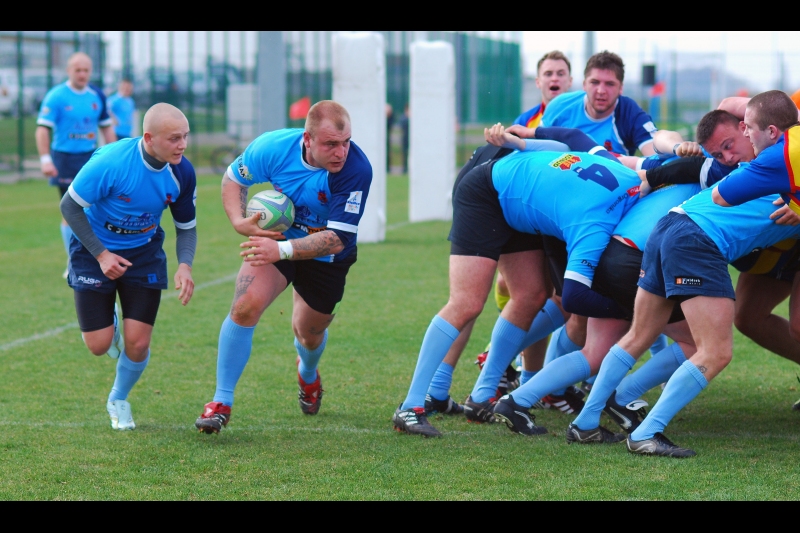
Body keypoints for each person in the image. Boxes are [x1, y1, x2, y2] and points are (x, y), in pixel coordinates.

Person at [569, 90, 800, 457]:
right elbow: (726, 193)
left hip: (668, 227)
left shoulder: (774, 159)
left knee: (639, 335)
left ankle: (584, 423)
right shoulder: (777, 161)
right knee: (715, 352)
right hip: (696, 240)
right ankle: (647, 433)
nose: (746, 133)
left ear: (771, 130)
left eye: (749, 128)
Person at [392, 126, 642, 437]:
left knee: (532, 295)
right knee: (467, 302)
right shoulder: (598, 216)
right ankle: (411, 405)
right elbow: (575, 296)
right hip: (487, 190)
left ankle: (483, 396)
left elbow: (570, 143)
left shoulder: (624, 178)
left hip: (522, 201)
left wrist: (525, 140)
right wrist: (634, 310)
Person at [194, 100, 373, 434]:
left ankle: (308, 374)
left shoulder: (356, 170)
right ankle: (221, 402)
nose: (341, 152)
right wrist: (238, 221)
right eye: (331, 144)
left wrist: (281, 250)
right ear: (307, 139)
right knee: (244, 307)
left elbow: (337, 239)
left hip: (326, 257)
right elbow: (233, 179)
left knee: (308, 334)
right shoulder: (273, 148)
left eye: (346, 142)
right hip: (276, 240)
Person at [59, 102, 197, 430]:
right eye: (174, 138)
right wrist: (102, 255)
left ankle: (118, 399)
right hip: (93, 251)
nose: (182, 145)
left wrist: (185, 266)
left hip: (144, 253)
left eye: (185, 136)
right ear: (149, 138)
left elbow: (186, 228)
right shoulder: (111, 162)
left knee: (138, 343)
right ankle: (109, 318)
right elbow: (69, 206)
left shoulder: (182, 172)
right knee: (99, 346)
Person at [36, 52, 117, 279]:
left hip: (90, 158)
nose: (82, 74)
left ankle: (96, 254)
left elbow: (106, 127)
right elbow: (42, 129)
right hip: (65, 160)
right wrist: (45, 159)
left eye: (86, 70)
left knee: (96, 209)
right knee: (71, 210)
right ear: (69, 71)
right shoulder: (56, 96)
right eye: (78, 70)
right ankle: (73, 259)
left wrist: (115, 157)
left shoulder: (97, 96)